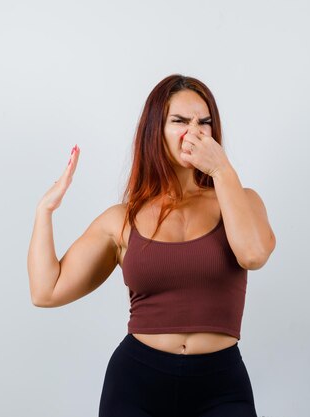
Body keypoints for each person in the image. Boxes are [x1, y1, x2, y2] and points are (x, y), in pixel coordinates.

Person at [27, 74, 276, 417]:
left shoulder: (242, 201)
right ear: (155, 130)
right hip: (136, 383)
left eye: (204, 122)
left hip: (221, 384)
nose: (195, 131)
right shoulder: (122, 219)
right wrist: (45, 210)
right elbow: (46, 291)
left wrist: (222, 171)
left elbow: (253, 254)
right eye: (180, 121)